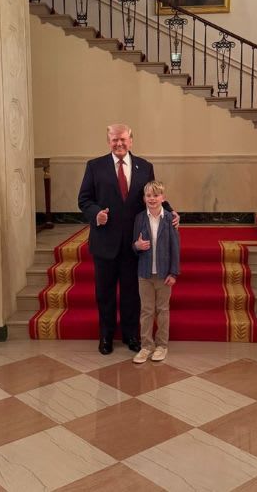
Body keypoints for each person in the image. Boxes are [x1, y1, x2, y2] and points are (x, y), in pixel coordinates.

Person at [78, 124, 178, 355]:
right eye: (114, 139)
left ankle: (131, 335)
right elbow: (84, 200)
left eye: (123, 139)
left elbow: (153, 195)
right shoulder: (95, 166)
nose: (119, 143)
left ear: (131, 141)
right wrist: (96, 214)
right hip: (105, 242)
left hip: (135, 244)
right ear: (108, 141)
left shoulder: (145, 167)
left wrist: (171, 211)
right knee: (105, 293)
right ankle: (106, 336)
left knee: (132, 293)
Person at [132, 181, 180, 363]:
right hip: (144, 274)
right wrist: (137, 246)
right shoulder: (139, 218)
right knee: (146, 310)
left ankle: (161, 346)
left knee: (162, 309)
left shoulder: (169, 219)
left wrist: (173, 273)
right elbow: (133, 245)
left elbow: (175, 247)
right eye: (148, 196)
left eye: (156, 195)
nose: (152, 199)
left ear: (163, 198)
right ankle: (146, 346)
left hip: (164, 274)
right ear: (144, 198)